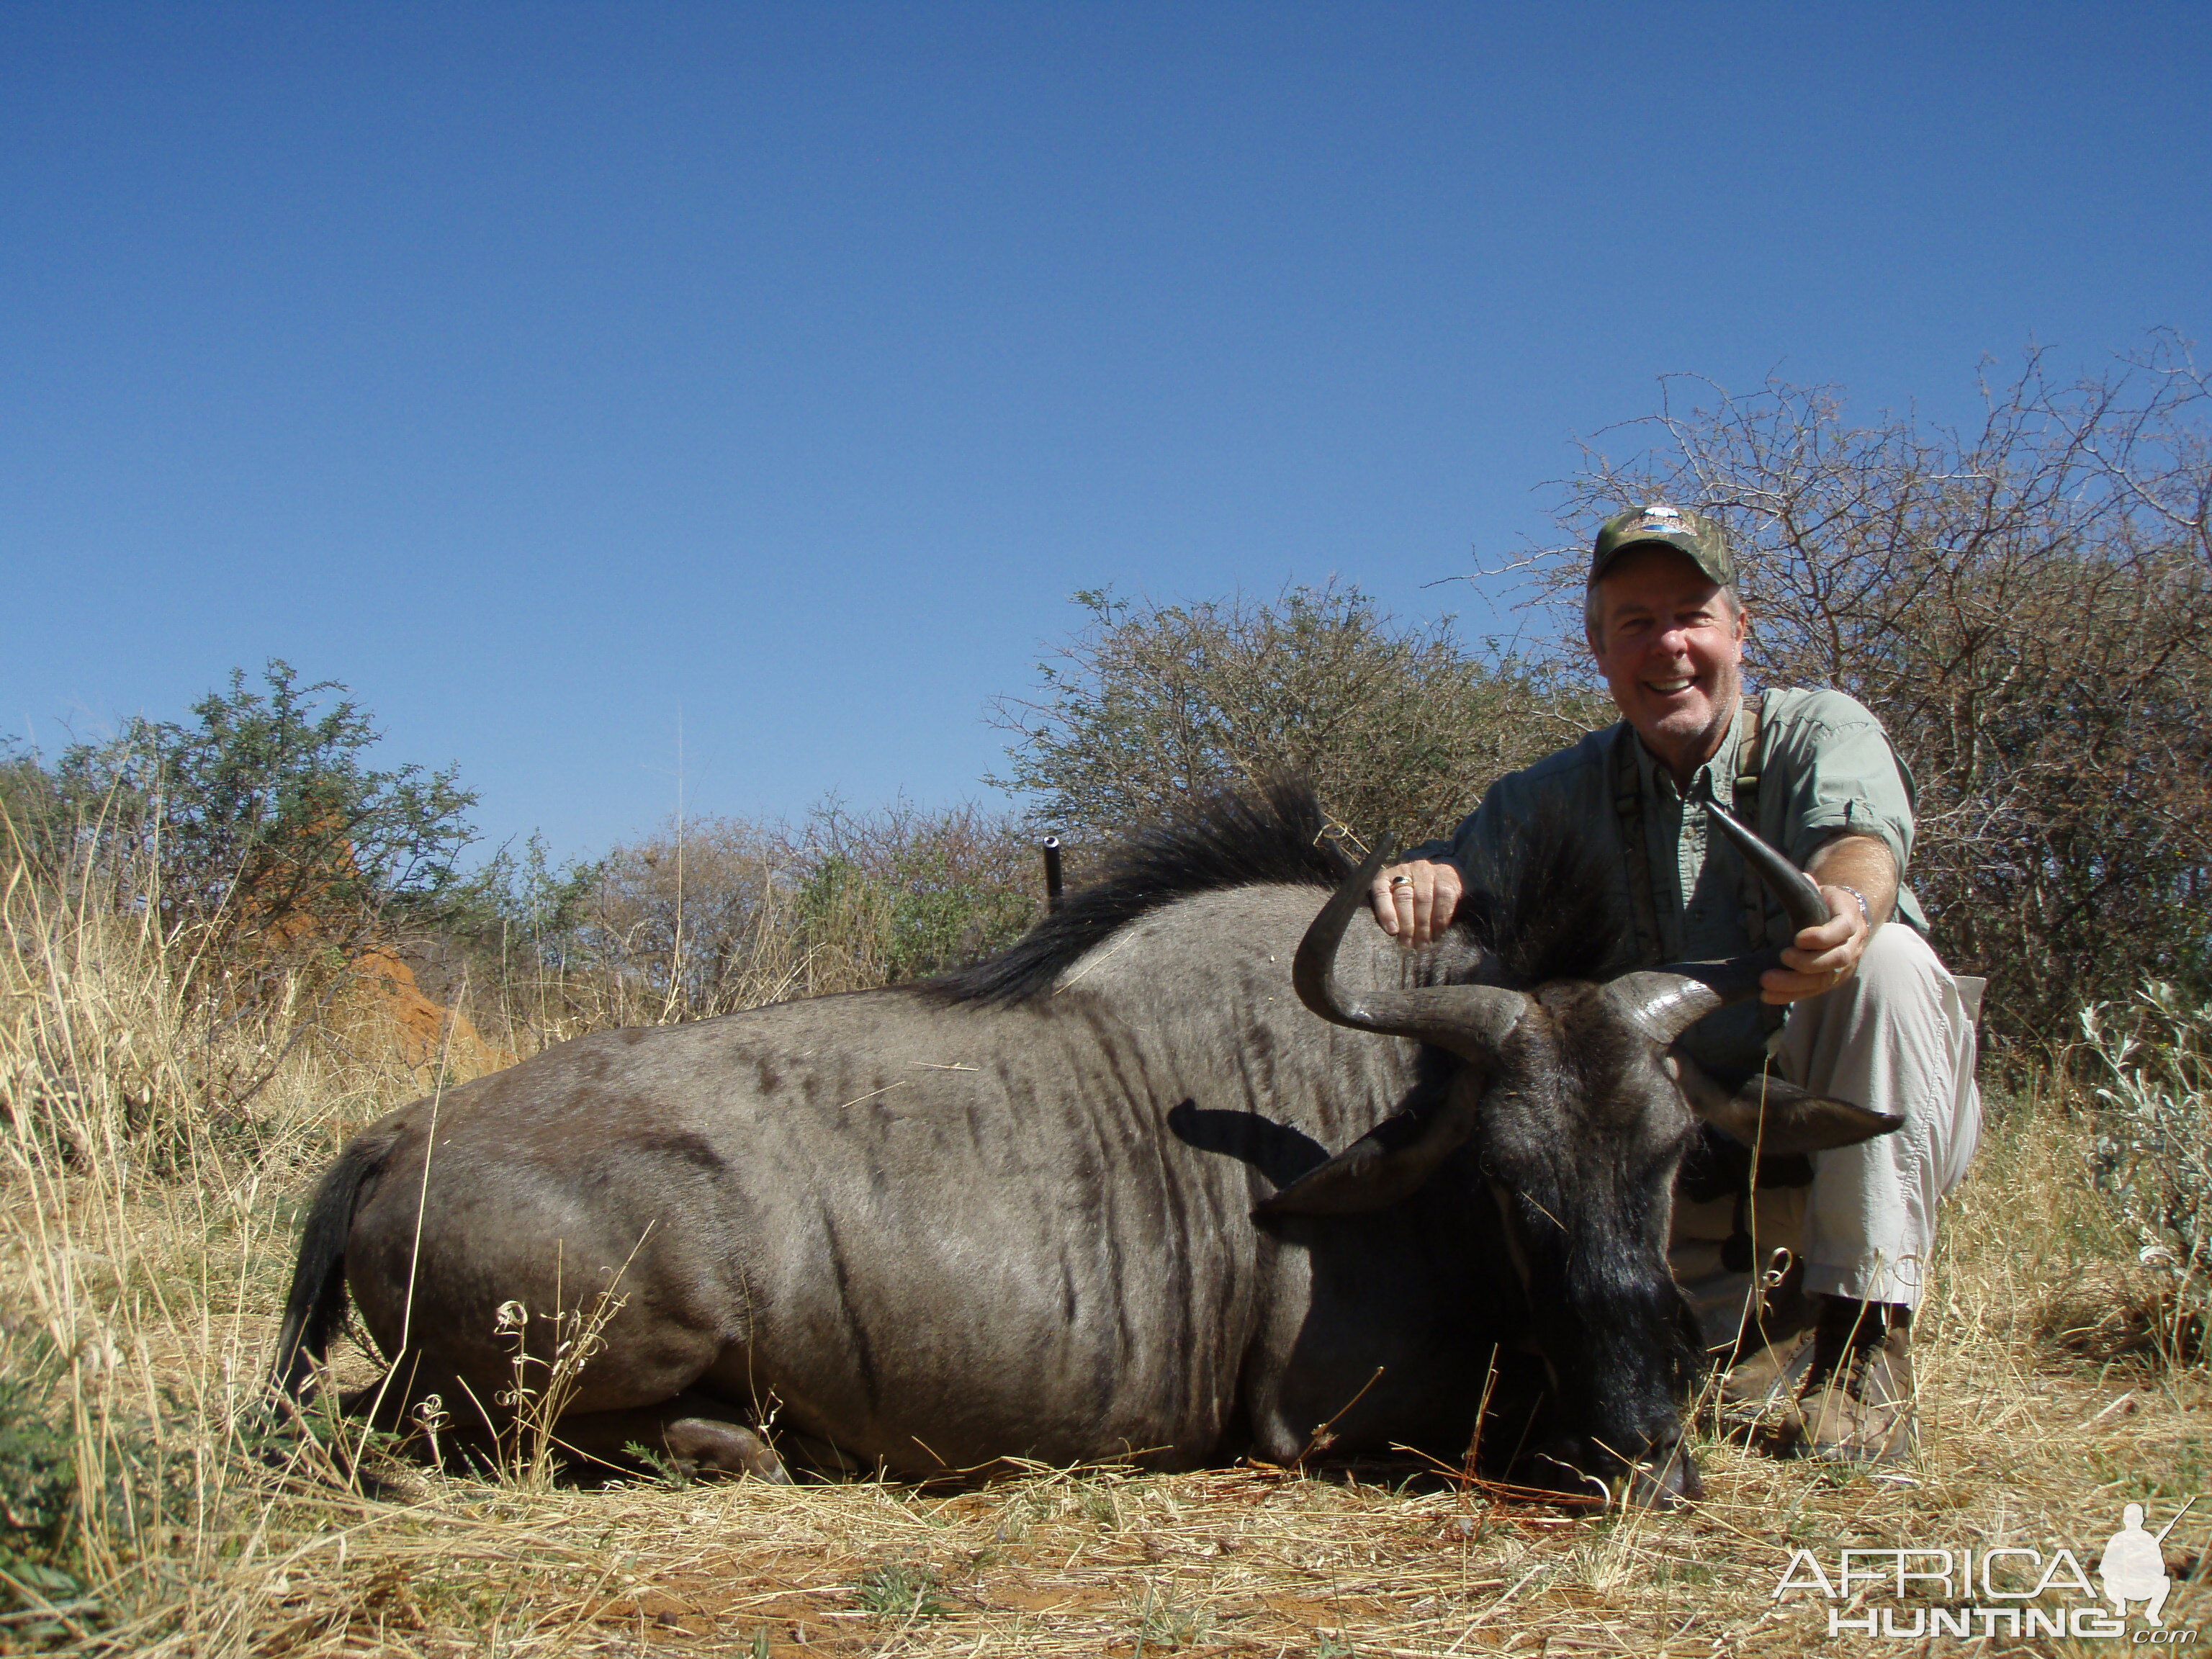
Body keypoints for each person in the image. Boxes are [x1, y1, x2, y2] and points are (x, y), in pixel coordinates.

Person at [1371, 503, 1982, 1463]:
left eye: (1692, 614)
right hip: (1670, 1173)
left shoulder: (1819, 731)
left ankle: (1866, 1343)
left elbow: (1863, 846)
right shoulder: (1547, 797)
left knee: (1893, 962)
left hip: (1833, 1135)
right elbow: (1443, 869)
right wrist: (1421, 879)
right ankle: (1767, 1327)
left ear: (1741, 628)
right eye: (1636, 622)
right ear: (1598, 647)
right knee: (1644, 1384)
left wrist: (1848, 908)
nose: (1670, 646)